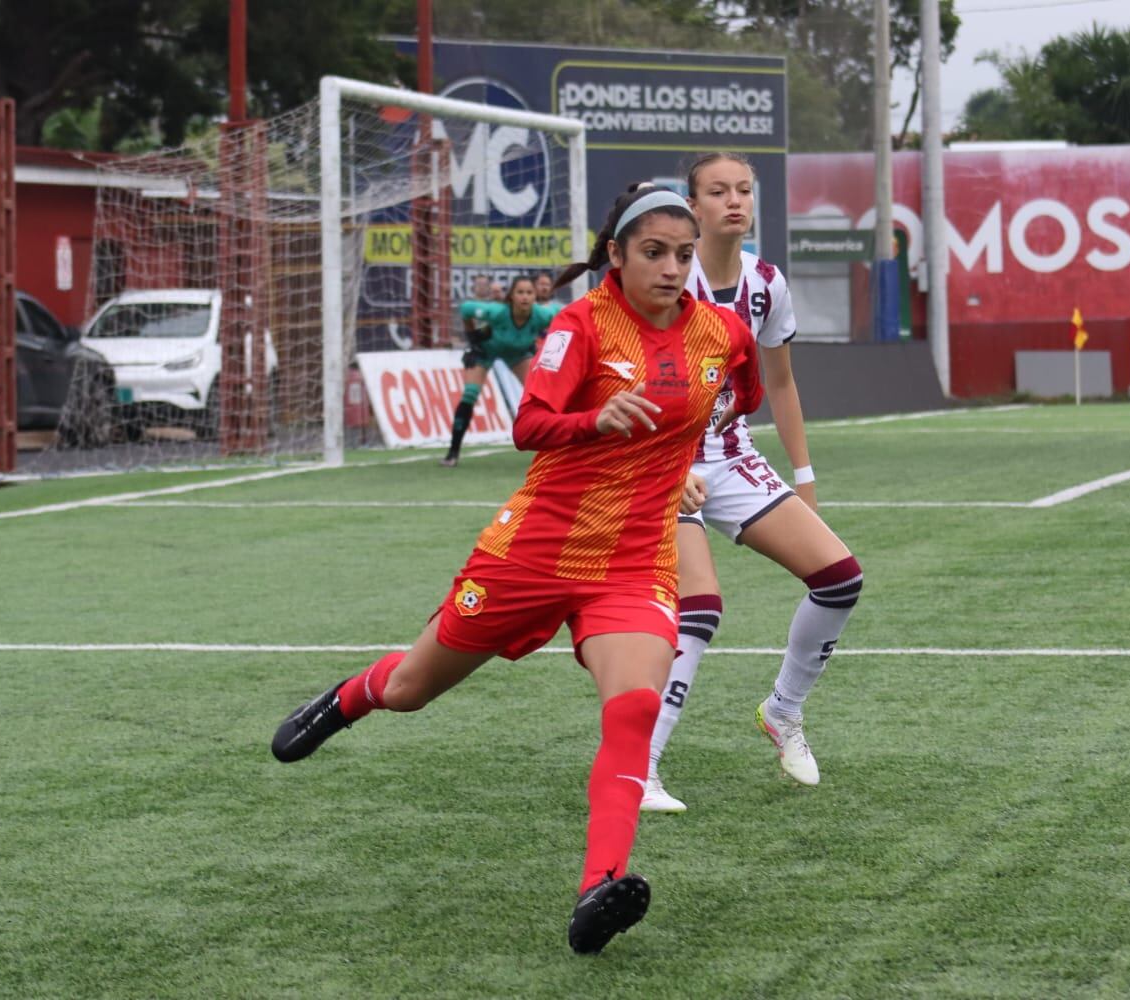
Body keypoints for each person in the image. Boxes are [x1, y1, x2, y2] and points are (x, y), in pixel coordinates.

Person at [270, 185, 764, 955]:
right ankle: (347, 699)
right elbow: (529, 426)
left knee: (633, 711)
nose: (672, 268)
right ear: (617, 255)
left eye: (683, 254)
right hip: (532, 553)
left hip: (633, 561)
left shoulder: (722, 332)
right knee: (411, 689)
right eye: (654, 253)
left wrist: (689, 457)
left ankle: (600, 887)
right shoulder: (582, 324)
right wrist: (596, 420)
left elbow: (742, 392)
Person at [640, 152, 864, 814]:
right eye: (717, 191)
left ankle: (783, 710)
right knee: (700, 608)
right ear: (693, 205)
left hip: (731, 457)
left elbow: (783, 384)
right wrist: (670, 463)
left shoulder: (766, 284)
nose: (734, 200)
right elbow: (633, 377)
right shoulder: (667, 282)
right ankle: (642, 766)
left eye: (743, 189)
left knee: (840, 577)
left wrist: (805, 477)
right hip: (662, 460)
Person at [441, 274, 558, 467]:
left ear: (535, 296)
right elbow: (465, 309)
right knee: (470, 393)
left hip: (519, 353)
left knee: (541, 396)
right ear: (511, 296)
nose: (525, 297)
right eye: (520, 292)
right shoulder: (498, 312)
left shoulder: (542, 315)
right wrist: (473, 338)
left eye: (529, 292)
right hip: (487, 350)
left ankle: (552, 451)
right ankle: (452, 453)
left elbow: (566, 315)